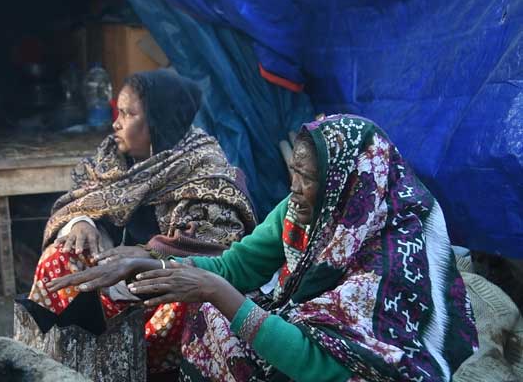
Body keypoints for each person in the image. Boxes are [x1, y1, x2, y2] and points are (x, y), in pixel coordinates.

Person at [47, 114, 478, 381]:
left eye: (308, 180)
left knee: (221, 308)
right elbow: (240, 264)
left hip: (375, 370)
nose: (295, 191)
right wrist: (150, 262)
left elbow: (329, 366)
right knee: (212, 320)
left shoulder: (388, 256)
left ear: (351, 187)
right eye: (294, 173)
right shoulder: (305, 211)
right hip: (318, 339)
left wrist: (217, 292)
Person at [28, 69, 257, 374]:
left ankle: (135, 367)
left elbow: (218, 247)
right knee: (58, 257)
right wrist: (82, 222)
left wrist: (151, 254)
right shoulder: (114, 157)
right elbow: (81, 197)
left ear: (158, 122)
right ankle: (56, 364)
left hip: (162, 294)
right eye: (117, 112)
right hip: (115, 282)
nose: (116, 123)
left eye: (128, 113)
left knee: (193, 299)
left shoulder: (205, 171)